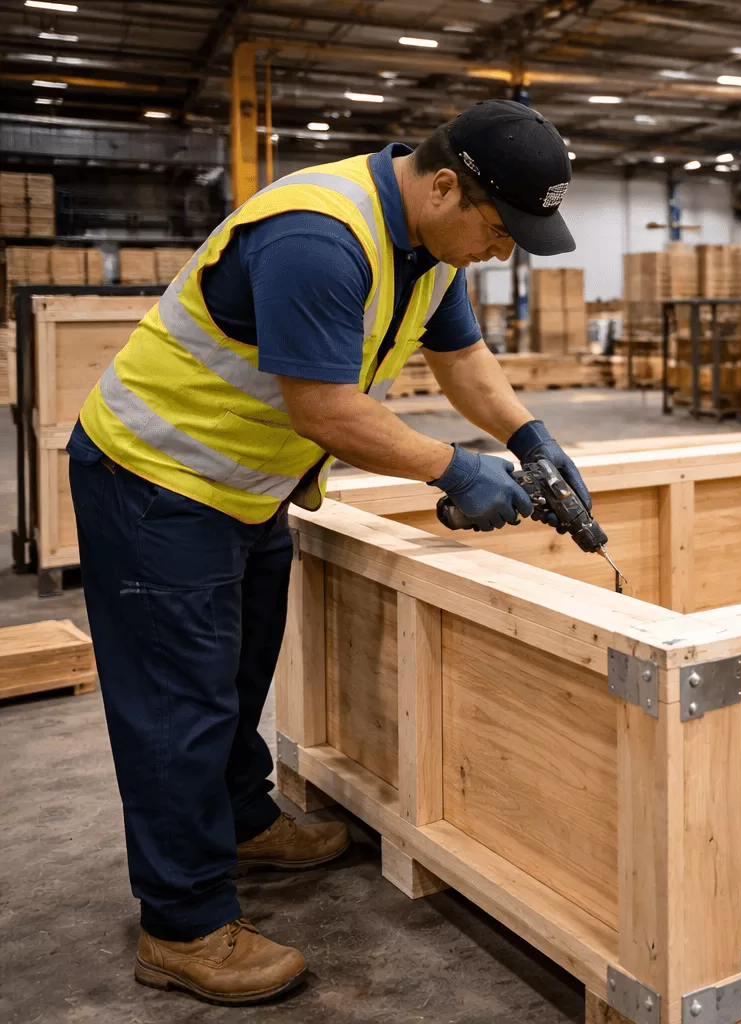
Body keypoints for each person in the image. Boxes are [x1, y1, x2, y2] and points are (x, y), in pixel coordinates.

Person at [67, 99, 588, 1005]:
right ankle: (181, 924)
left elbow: (460, 360)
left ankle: (235, 819)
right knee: (175, 705)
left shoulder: (429, 247)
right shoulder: (318, 235)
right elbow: (327, 411)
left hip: (247, 485)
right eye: (501, 231)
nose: (502, 252)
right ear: (442, 187)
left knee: (235, 675)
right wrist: (453, 468)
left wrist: (528, 433)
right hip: (157, 480)